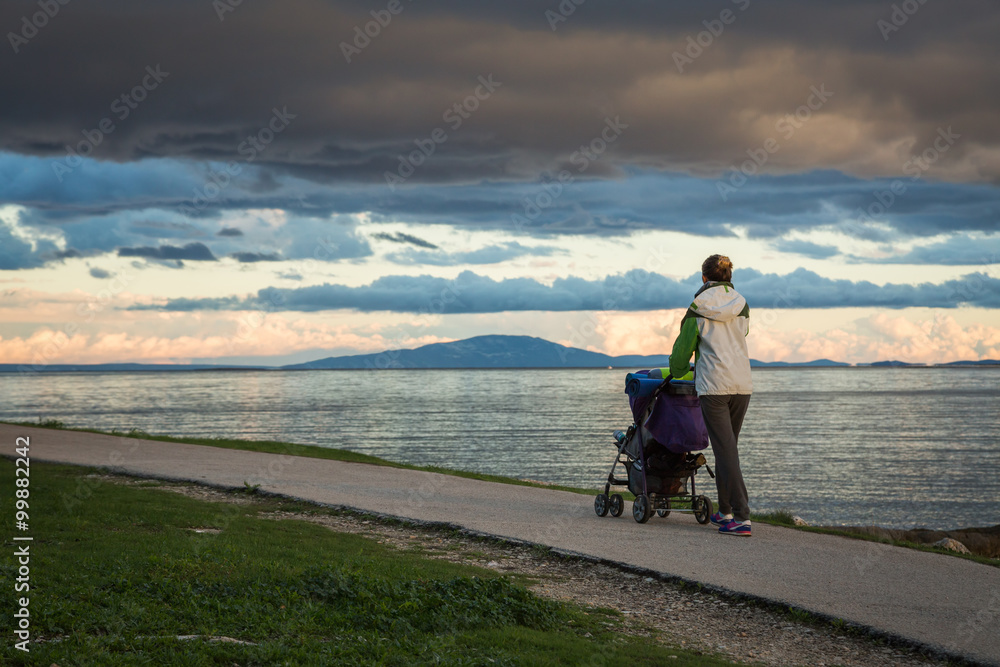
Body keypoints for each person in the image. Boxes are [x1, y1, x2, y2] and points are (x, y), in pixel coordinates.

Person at [669, 254, 753, 536]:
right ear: (729, 277)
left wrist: (678, 370)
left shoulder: (698, 306)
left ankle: (741, 517)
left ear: (704, 278)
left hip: (714, 386)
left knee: (725, 449)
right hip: (741, 384)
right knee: (727, 448)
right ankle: (725, 511)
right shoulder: (742, 304)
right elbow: (744, 333)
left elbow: (682, 351)